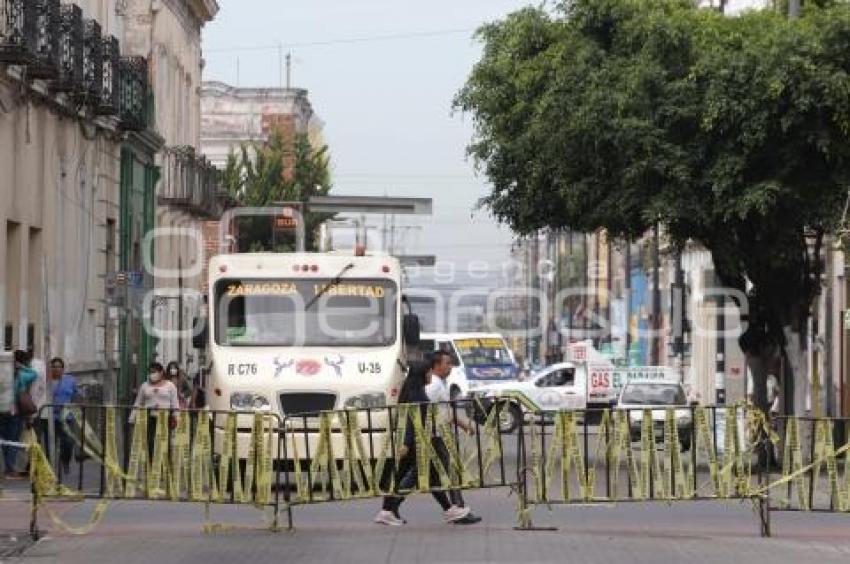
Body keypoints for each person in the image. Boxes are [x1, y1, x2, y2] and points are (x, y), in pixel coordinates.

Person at [374, 361, 471, 526]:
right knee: (413, 476)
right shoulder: (416, 395)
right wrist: (407, 443)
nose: (430, 376)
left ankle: (448, 510)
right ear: (421, 375)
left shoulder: (414, 391)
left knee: (426, 475)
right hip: (415, 442)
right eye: (427, 373)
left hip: (416, 440)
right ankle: (387, 511)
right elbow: (413, 420)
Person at [424, 350, 482, 525]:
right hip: (436, 436)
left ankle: (456, 510)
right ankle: (458, 509)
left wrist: (464, 424)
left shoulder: (439, 383)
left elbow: (445, 411)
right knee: (452, 471)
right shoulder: (434, 385)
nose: (450, 367)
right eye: (447, 363)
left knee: (435, 477)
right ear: (436, 365)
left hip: (437, 435)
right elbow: (421, 407)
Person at [129, 363, 180, 457]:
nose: (152, 374)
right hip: (150, 418)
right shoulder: (145, 386)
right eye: (150, 372)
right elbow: (138, 402)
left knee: (165, 443)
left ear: (161, 372)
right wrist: (132, 418)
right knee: (151, 442)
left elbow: (175, 403)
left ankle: (165, 467)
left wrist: (176, 417)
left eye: (154, 372)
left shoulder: (170, 386)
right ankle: (152, 465)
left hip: (165, 418)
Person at [5, 350, 38, 479]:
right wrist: (20, 366)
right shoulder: (21, 375)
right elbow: (34, 374)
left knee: (5, 440)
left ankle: (8, 467)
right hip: (16, 412)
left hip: (3, 411)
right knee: (13, 440)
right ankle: (10, 469)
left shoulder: (3, 374)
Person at [48, 358, 78, 474]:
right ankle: (50, 466)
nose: (56, 369)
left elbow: (76, 394)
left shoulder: (70, 380)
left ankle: (65, 461)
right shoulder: (47, 381)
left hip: (67, 417)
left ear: (63, 368)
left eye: (59, 367)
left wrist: (76, 404)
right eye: (54, 366)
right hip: (50, 417)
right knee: (50, 442)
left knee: (68, 441)